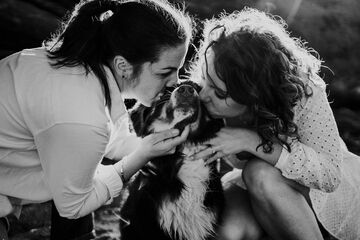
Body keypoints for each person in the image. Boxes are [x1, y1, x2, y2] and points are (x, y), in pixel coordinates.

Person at [0, 0, 193, 239]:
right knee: (83, 181)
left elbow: (114, 140)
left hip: (10, 181)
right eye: (165, 72)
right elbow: (73, 207)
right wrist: (140, 158)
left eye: (178, 69)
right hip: (8, 197)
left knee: (83, 170)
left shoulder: (83, 68)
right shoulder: (83, 116)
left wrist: (158, 147)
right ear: (123, 64)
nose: (176, 82)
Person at [189, 8, 360, 240]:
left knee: (259, 172)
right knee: (228, 231)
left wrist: (252, 141)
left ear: (253, 95)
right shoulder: (208, 86)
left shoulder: (303, 93)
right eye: (204, 78)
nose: (203, 95)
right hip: (255, 189)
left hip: (320, 194)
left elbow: (329, 177)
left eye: (219, 93)